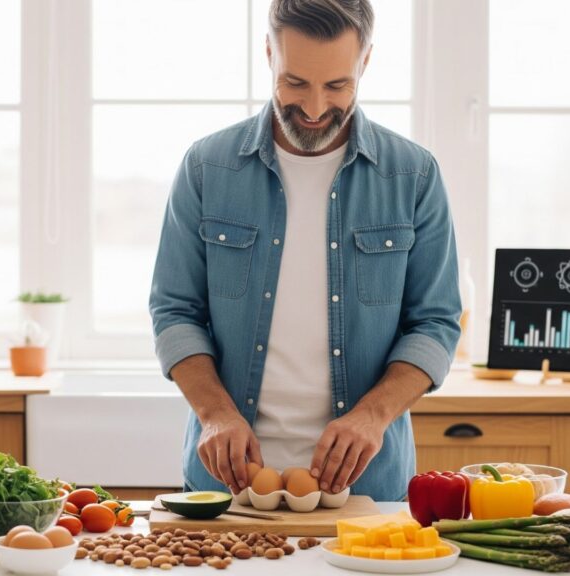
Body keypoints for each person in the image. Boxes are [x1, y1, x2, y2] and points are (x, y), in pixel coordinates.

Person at [149, 0, 461, 502]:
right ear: (268, 54)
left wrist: (373, 415)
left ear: (365, 63)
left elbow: (436, 323)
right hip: (225, 490)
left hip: (368, 489)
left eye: (337, 85)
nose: (315, 108)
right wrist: (215, 414)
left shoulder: (414, 175)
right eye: (295, 82)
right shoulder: (206, 168)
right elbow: (174, 311)